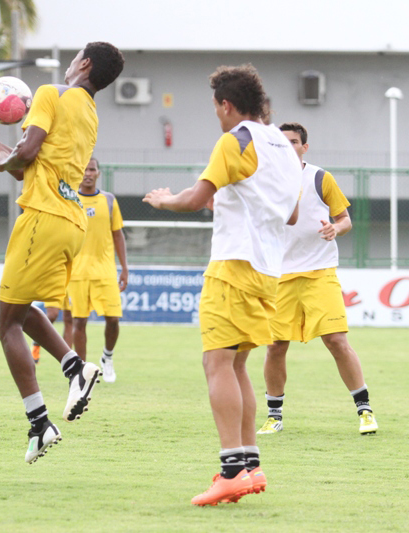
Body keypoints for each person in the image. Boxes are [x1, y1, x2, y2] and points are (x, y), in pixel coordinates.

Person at [143, 64, 301, 505]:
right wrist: (234, 198)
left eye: (217, 109)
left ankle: (231, 469)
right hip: (268, 268)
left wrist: (163, 199)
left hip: (234, 265)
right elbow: (288, 213)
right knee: (235, 366)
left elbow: (193, 199)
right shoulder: (283, 148)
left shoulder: (236, 140)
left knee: (216, 365)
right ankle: (249, 467)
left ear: (227, 105)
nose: (217, 116)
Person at [0, 42, 124, 463]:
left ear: (85, 64)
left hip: (42, 216)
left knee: (4, 322)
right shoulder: (89, 114)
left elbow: (25, 154)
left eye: (75, 57)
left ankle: (41, 423)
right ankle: (75, 368)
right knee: (17, 314)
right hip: (70, 220)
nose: (71, 63)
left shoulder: (50, 93)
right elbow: (27, 165)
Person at [257, 122, 377, 436]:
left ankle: (364, 411)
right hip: (279, 276)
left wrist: (334, 229)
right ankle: (274, 416)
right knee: (275, 347)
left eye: (295, 142)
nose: (289, 147)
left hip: (319, 273)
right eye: (283, 142)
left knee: (336, 340)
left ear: (304, 147)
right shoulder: (263, 179)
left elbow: (345, 219)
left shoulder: (321, 177)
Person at [70, 157, 128, 381]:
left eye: (92, 169)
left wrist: (124, 268)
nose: (87, 173)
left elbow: (118, 235)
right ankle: (82, 372)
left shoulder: (109, 200)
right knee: (79, 322)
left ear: (98, 173)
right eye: (83, 169)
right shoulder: (71, 198)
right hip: (77, 271)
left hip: (104, 270)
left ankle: (108, 357)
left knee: (113, 319)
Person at [30, 294, 73, 364]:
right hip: (55, 284)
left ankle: (69, 360)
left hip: (70, 284)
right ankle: (36, 341)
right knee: (52, 315)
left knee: (69, 318)